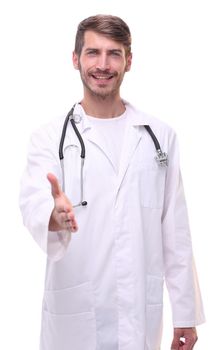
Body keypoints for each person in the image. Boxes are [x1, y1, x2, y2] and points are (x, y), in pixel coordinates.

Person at [19, 14, 205, 350]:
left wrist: (185, 314)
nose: (102, 65)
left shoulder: (159, 137)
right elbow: (33, 202)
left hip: (139, 316)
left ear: (128, 61)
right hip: (75, 319)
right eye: (93, 53)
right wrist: (54, 214)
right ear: (76, 59)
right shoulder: (48, 138)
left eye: (114, 53)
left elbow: (176, 231)